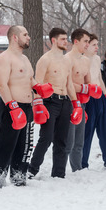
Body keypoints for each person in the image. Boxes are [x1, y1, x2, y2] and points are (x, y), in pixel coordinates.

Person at [0, 25, 53, 187]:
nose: (29, 37)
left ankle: (19, 177)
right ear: (15, 37)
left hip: (27, 107)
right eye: (25, 34)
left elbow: (29, 79)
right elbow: (2, 85)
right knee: (6, 144)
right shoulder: (4, 58)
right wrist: (12, 107)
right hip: (10, 107)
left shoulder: (25, 59)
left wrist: (38, 88)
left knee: (25, 146)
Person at [28, 28, 83, 179]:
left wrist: (76, 103)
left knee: (62, 140)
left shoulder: (67, 61)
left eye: (66, 39)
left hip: (65, 102)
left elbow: (69, 83)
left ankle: (58, 174)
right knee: (46, 138)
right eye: (63, 39)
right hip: (49, 101)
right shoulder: (45, 60)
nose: (66, 42)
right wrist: (38, 104)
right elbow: (37, 84)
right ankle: (32, 170)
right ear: (54, 40)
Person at [65, 28, 102, 172]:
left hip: (82, 103)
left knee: (80, 141)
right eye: (85, 41)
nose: (87, 44)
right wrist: (85, 89)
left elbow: (87, 83)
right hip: (69, 103)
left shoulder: (86, 60)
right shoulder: (67, 59)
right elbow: (67, 84)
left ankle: (77, 169)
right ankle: (59, 170)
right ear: (76, 41)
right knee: (69, 140)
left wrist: (90, 90)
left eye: (88, 41)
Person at [82, 34, 106, 170]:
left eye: (97, 44)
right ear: (86, 45)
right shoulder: (81, 59)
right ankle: (82, 163)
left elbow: (100, 78)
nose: (97, 47)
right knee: (87, 132)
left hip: (101, 97)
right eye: (94, 45)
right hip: (88, 97)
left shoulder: (97, 59)